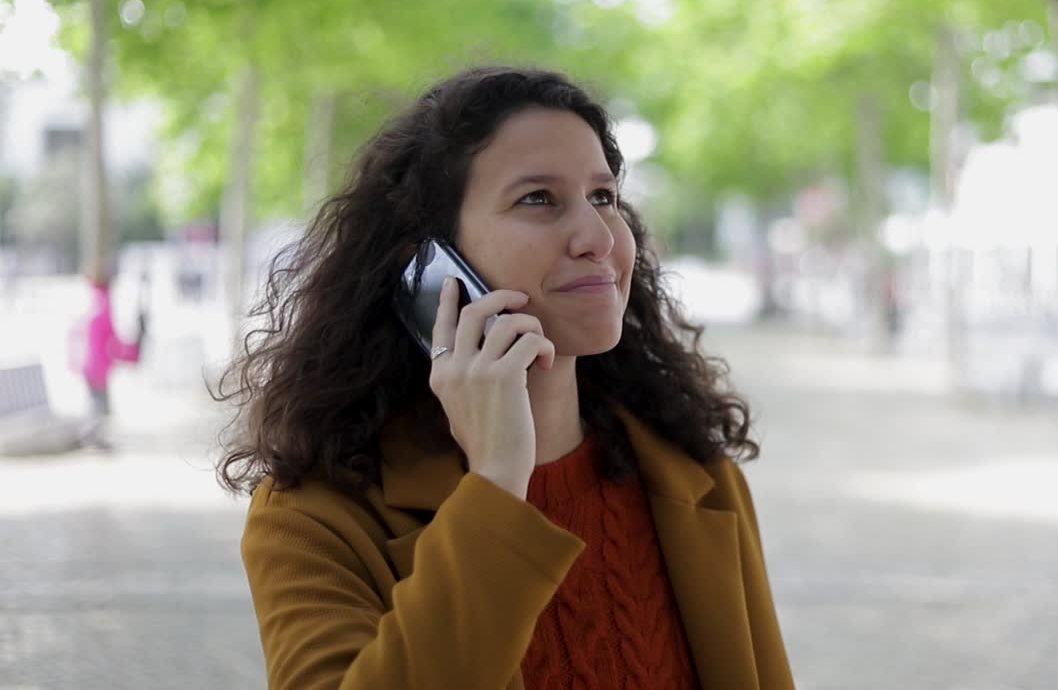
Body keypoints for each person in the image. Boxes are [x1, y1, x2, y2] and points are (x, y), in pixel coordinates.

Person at [216, 66, 794, 689]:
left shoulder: (697, 479)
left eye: (604, 197)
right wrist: (495, 485)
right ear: (433, 267)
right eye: (539, 199)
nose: (597, 237)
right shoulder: (312, 518)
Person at [76, 276, 143, 451]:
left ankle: (96, 436)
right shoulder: (105, 309)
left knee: (96, 400)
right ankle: (94, 436)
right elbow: (112, 340)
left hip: (88, 363)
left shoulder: (91, 305)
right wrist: (130, 353)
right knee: (99, 402)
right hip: (98, 365)